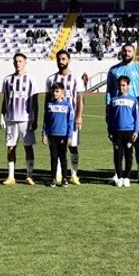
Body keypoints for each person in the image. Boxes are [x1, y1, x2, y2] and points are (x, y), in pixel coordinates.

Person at [107, 44, 139, 185]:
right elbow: (109, 92)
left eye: (129, 51)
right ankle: (117, 174)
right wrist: (108, 110)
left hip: (135, 115)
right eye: (124, 51)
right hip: (118, 115)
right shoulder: (114, 70)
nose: (126, 53)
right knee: (117, 145)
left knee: (137, 144)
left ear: (134, 52)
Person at [46, 49, 87, 185]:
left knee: (72, 146)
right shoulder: (51, 79)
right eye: (59, 59)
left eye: (63, 59)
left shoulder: (75, 78)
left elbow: (80, 98)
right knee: (56, 149)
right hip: (56, 121)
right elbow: (47, 100)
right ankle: (58, 174)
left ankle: (74, 174)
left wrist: (79, 116)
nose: (61, 61)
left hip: (70, 119)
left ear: (68, 60)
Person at [2, 52, 39, 186]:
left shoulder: (31, 80)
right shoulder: (7, 80)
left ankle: (29, 175)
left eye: (20, 61)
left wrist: (34, 119)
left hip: (26, 119)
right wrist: (2, 116)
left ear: (25, 63)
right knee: (10, 147)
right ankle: (11, 176)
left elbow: (35, 102)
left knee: (28, 147)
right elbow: (5, 100)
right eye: (16, 61)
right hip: (11, 119)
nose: (18, 63)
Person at [107, 75, 139, 187]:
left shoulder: (133, 100)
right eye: (120, 85)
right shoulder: (113, 100)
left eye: (123, 85)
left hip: (129, 131)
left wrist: (136, 131)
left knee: (128, 154)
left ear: (128, 86)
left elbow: (136, 117)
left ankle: (127, 177)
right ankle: (119, 176)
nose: (121, 87)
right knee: (117, 155)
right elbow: (110, 118)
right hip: (117, 131)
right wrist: (110, 131)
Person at [42, 80, 76, 187]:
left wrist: (70, 136)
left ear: (62, 92)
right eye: (53, 91)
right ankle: (53, 178)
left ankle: (65, 178)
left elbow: (70, 122)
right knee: (53, 157)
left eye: (57, 91)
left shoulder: (67, 106)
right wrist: (44, 134)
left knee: (63, 157)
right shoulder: (49, 105)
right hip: (52, 135)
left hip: (63, 135)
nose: (54, 93)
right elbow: (45, 121)